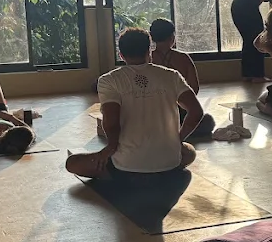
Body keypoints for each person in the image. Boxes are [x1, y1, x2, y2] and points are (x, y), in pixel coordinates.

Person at [67, 28, 203, 178]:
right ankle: (157, 169)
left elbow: (111, 123)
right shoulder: (171, 75)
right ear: (149, 51)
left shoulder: (108, 80)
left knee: (72, 163)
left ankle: (115, 175)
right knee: (189, 152)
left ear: (121, 55)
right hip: (170, 161)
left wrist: (111, 148)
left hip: (126, 164)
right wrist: (178, 139)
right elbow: (196, 112)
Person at [149, 17, 216, 139]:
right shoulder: (183, 58)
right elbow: (194, 88)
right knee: (208, 121)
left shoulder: (148, 59)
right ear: (172, 37)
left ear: (152, 38)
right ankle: (178, 132)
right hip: (180, 110)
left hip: (154, 112)